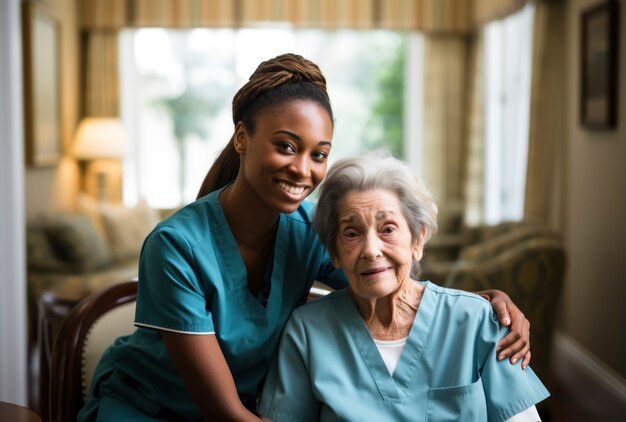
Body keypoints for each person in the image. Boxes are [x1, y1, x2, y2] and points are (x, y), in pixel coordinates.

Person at [78, 54, 531, 421]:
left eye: (319, 154)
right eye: (286, 146)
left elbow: (382, 279)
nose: (303, 170)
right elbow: (224, 413)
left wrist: (483, 305)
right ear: (241, 137)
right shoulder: (174, 247)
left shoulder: (310, 229)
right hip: (152, 409)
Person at [258, 152, 549, 422]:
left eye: (388, 229)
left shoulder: (479, 322)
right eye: (351, 233)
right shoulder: (306, 333)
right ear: (334, 252)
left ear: (418, 240)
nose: (371, 250)